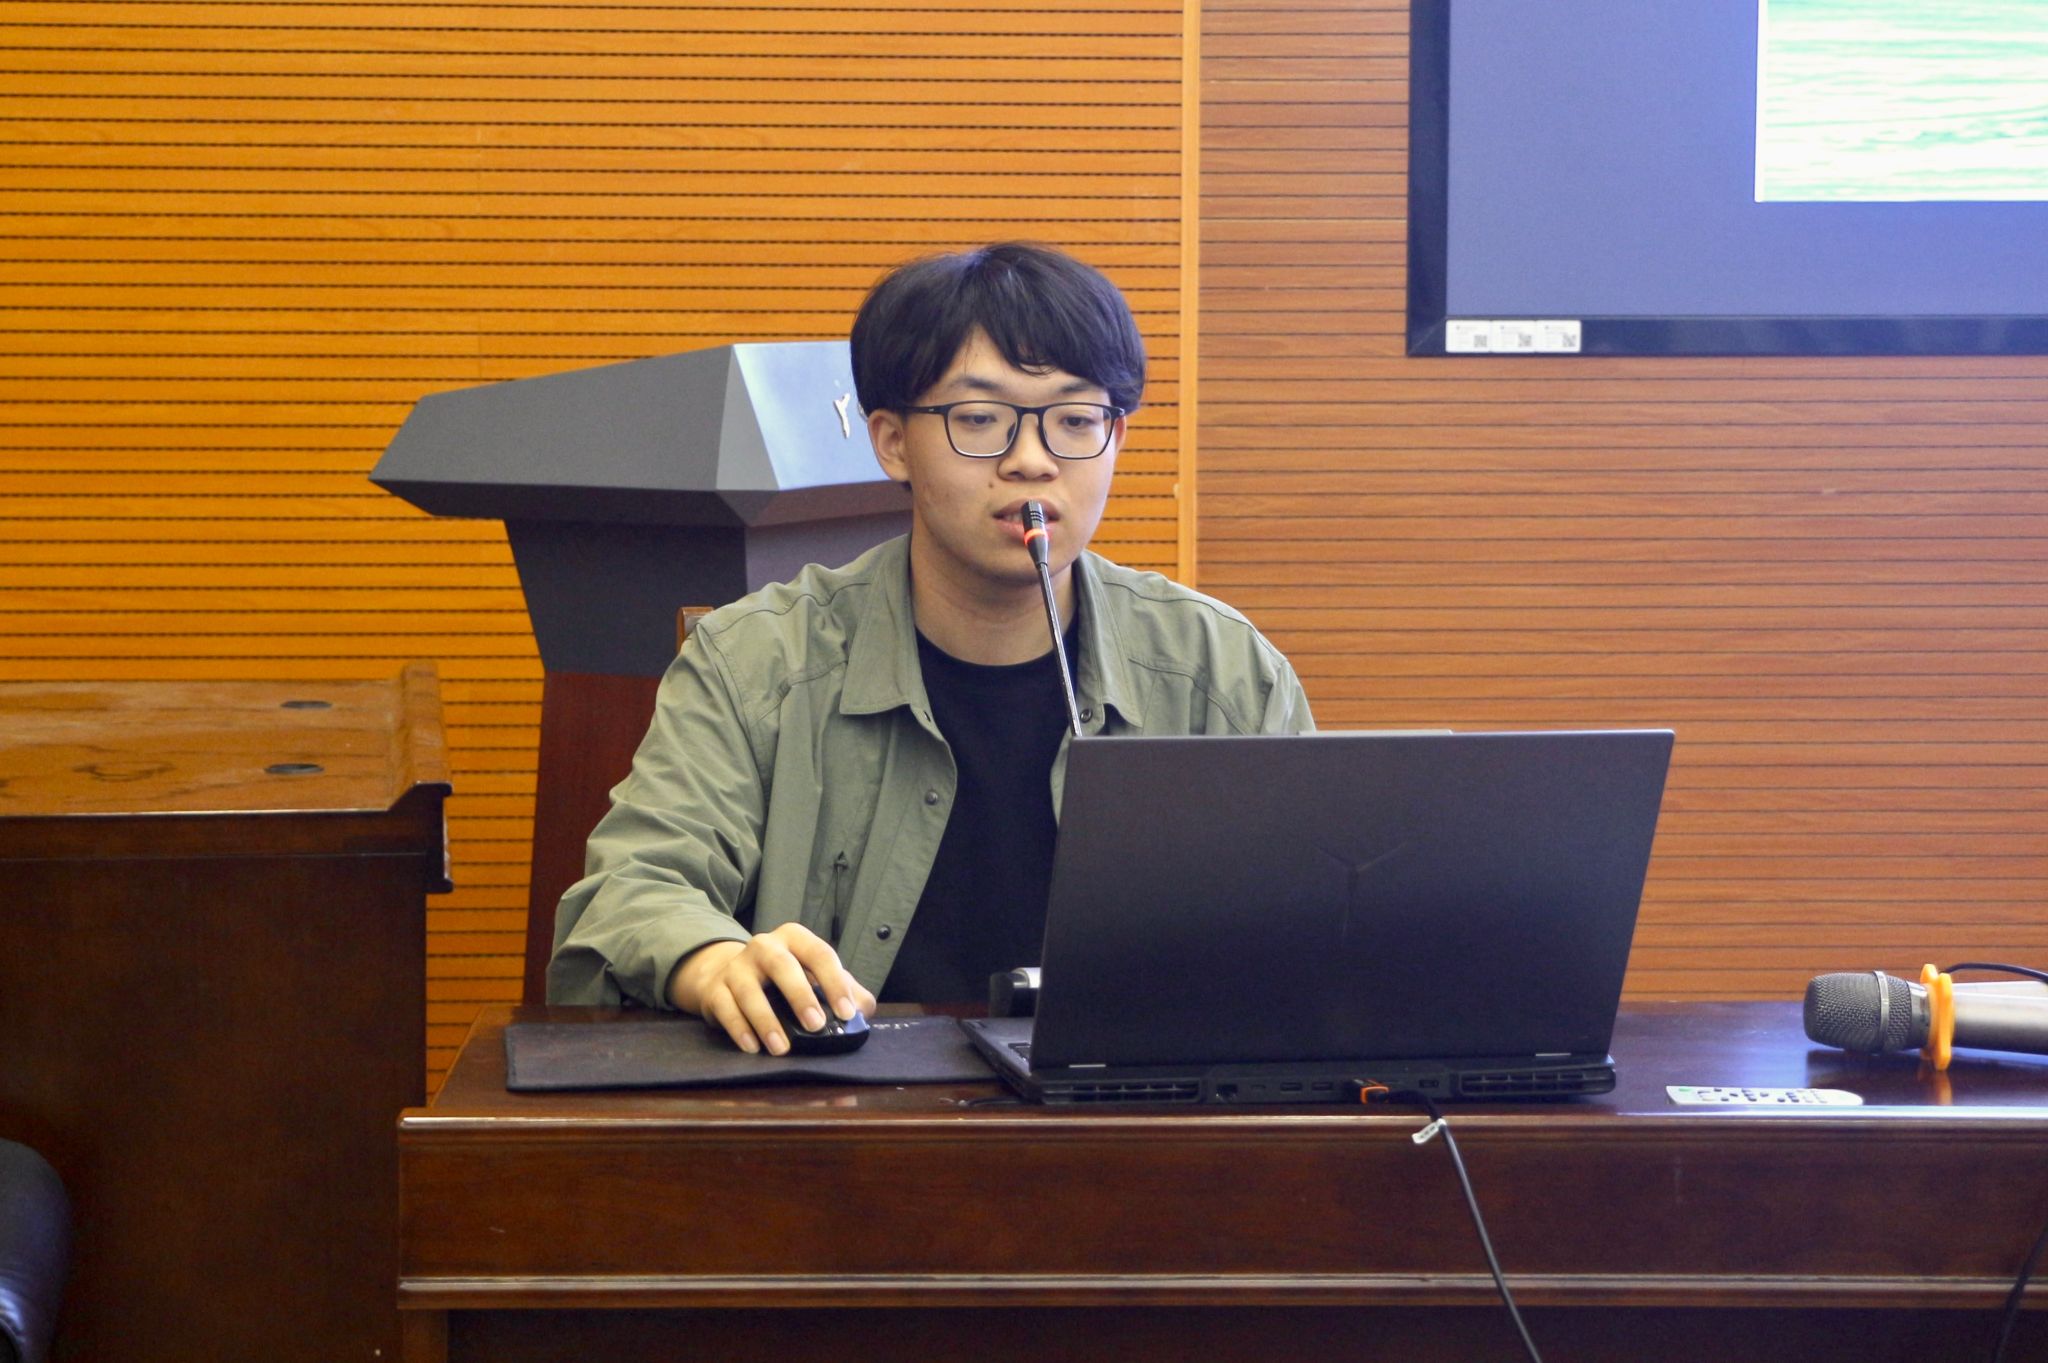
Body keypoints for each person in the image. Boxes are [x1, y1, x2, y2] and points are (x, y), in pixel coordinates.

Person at [548, 242, 1313, 1053]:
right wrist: (713, 961)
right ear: (891, 441)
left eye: (1076, 420)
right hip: (842, 1111)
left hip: (1131, 1111)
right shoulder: (757, 662)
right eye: (979, 419)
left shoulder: (1221, 672)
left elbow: (1320, 924)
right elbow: (629, 891)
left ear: (1116, 436)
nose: (1032, 460)